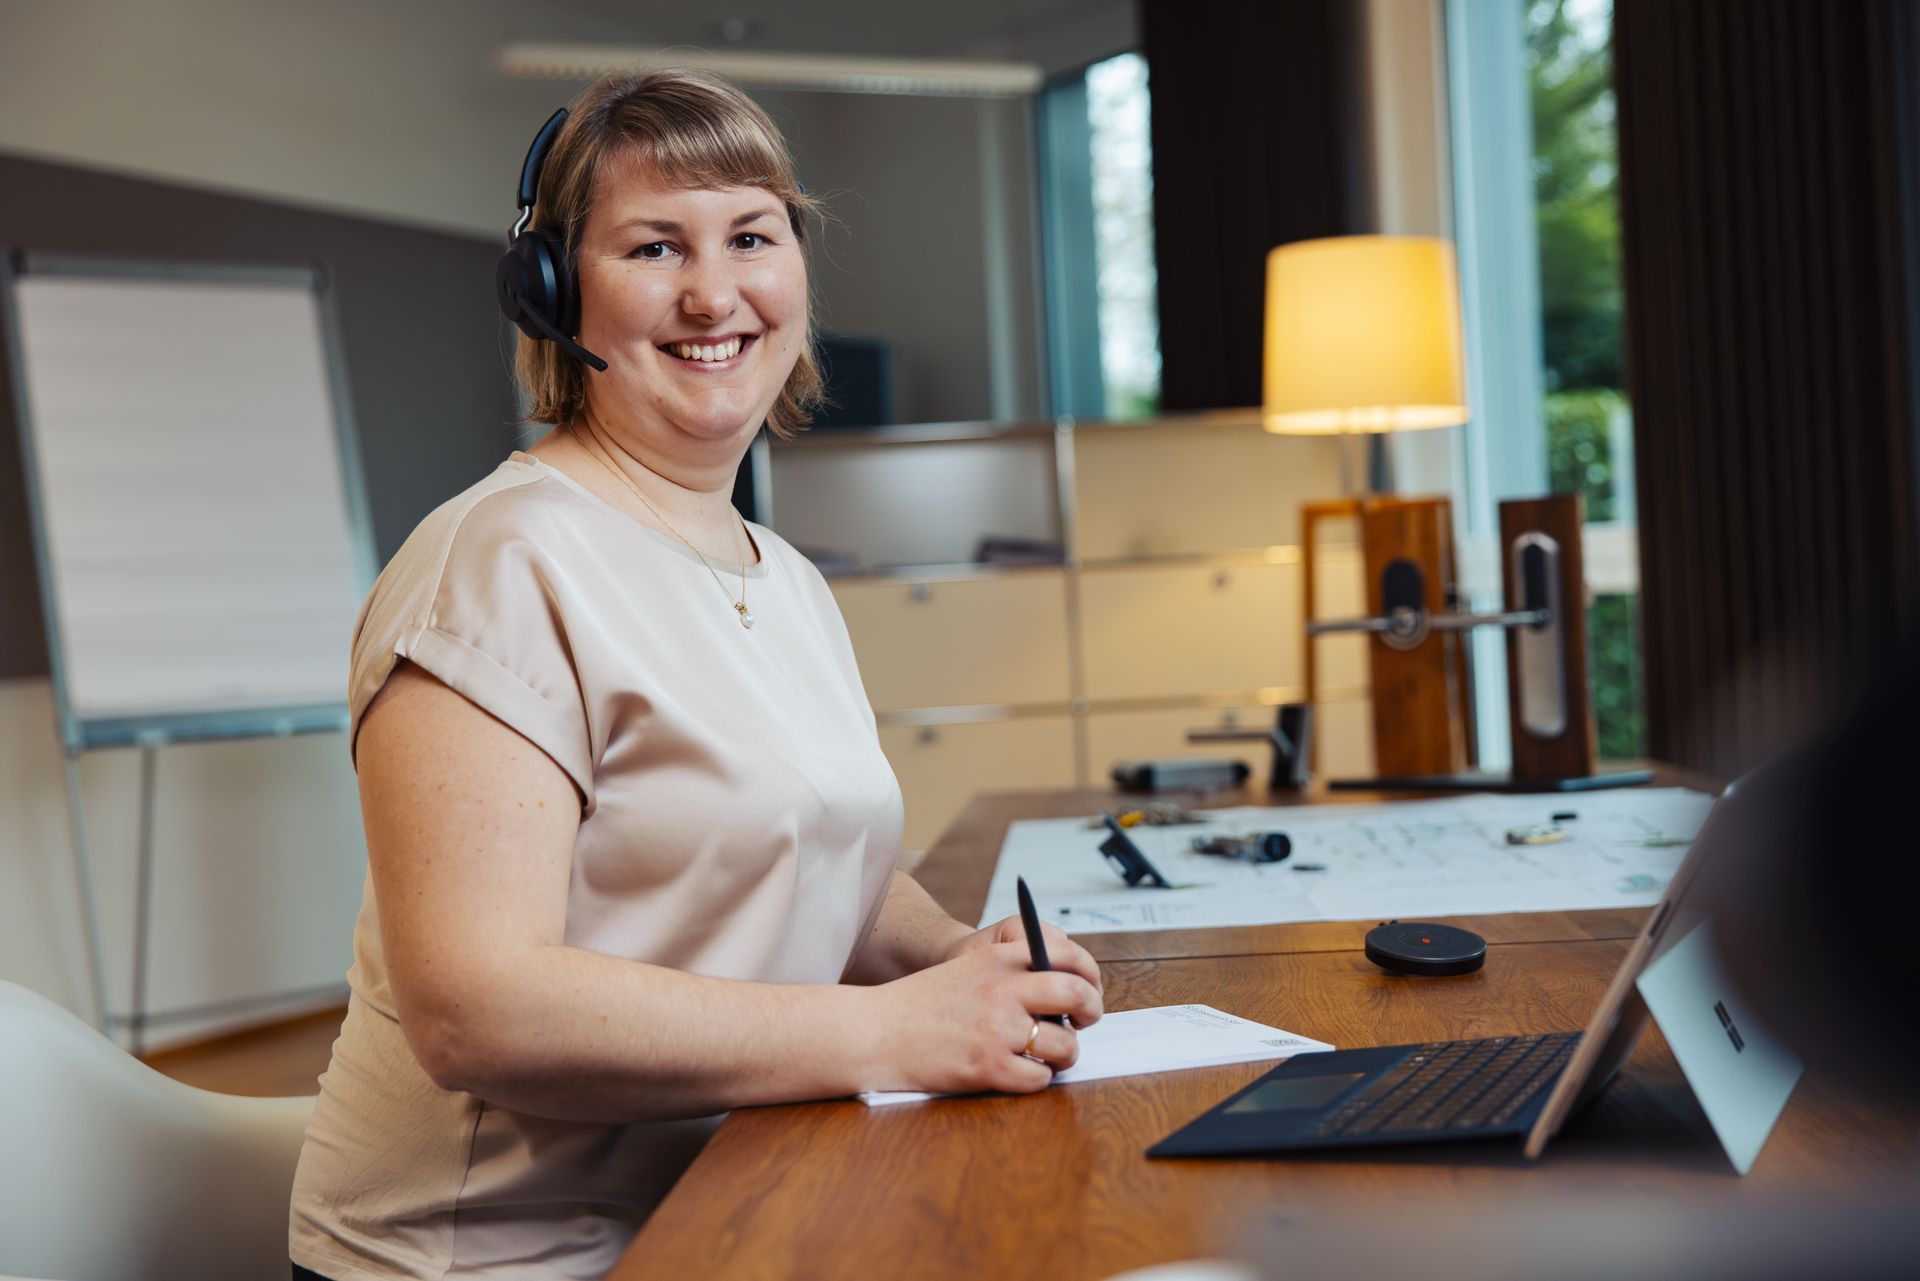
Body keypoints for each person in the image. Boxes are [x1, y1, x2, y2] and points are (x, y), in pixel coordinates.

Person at [288, 68, 1103, 1281]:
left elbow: (811, 853)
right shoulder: (497, 564)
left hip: (733, 1206)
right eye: (655, 246)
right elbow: (476, 1009)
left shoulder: (780, 573)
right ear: (557, 292)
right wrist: (886, 1032)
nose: (714, 292)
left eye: (752, 237)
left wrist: (957, 966)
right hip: (503, 1261)